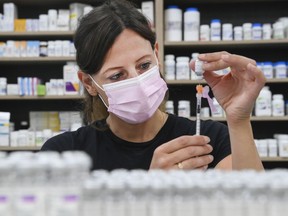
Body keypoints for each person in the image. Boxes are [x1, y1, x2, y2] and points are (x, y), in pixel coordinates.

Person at [41, 0, 265, 171]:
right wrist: (150, 193)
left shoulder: (207, 139)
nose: (137, 81)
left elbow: (257, 208)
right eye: (117, 75)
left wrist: (239, 120)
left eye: (144, 65)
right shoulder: (63, 154)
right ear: (89, 83)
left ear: (156, 54)